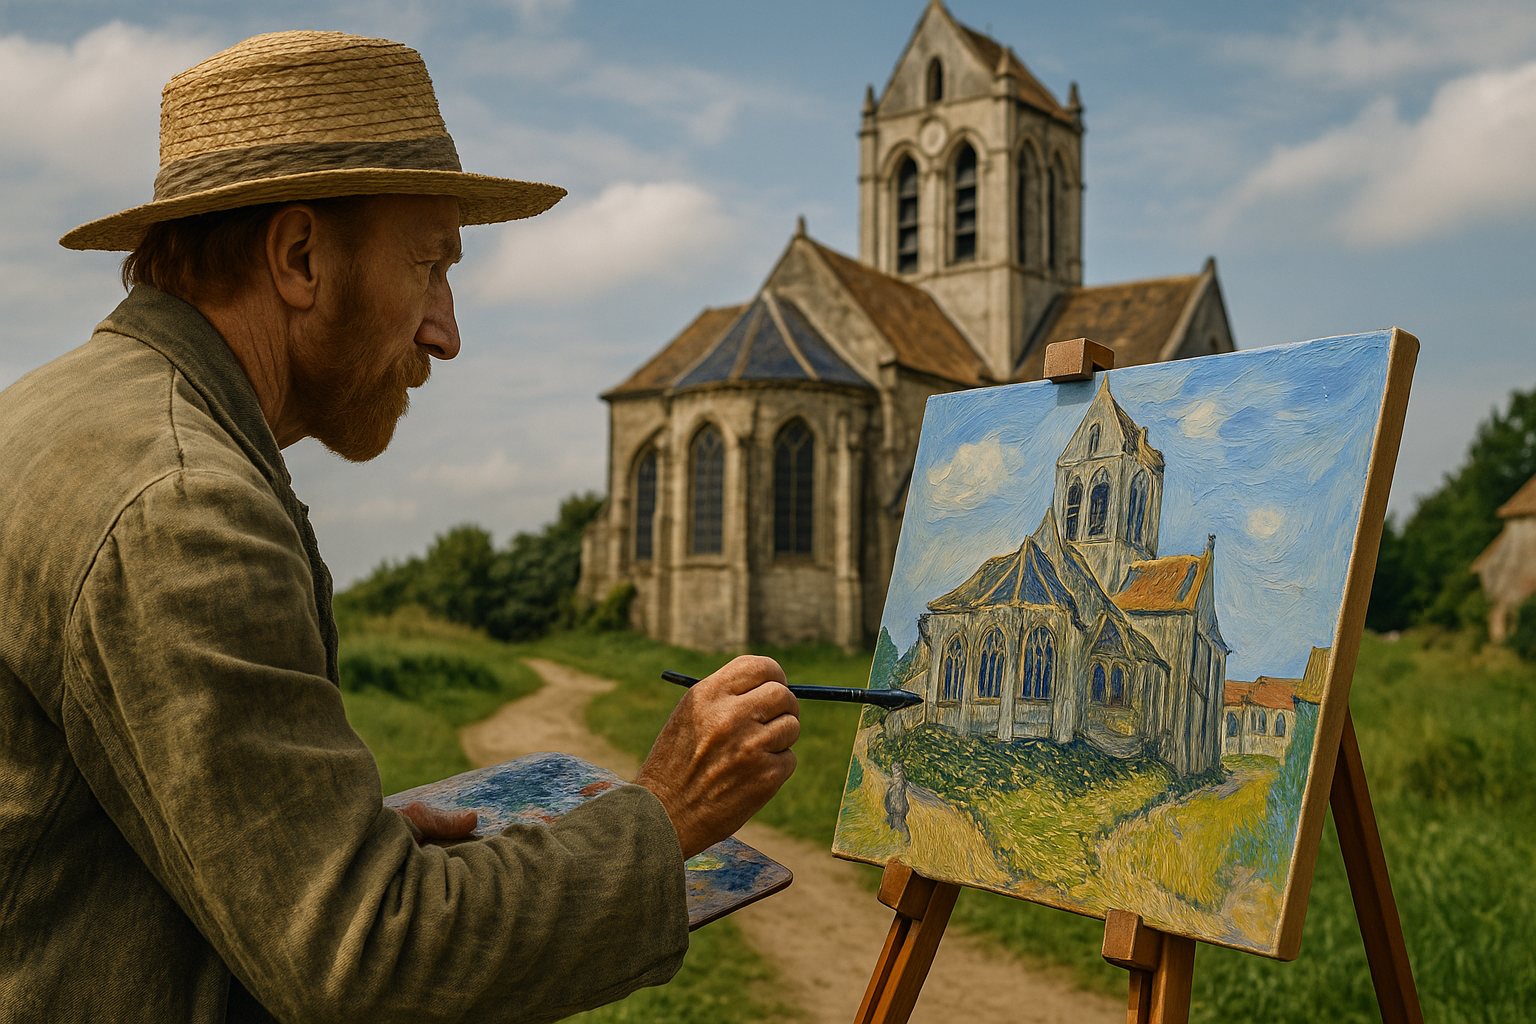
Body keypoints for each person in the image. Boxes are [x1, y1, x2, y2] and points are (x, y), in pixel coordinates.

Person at [0, 30, 800, 1023]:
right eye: (430, 265)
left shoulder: (52, 416)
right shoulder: (183, 508)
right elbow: (366, 961)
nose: (447, 331)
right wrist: (663, 817)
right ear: (299, 257)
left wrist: (334, 840)